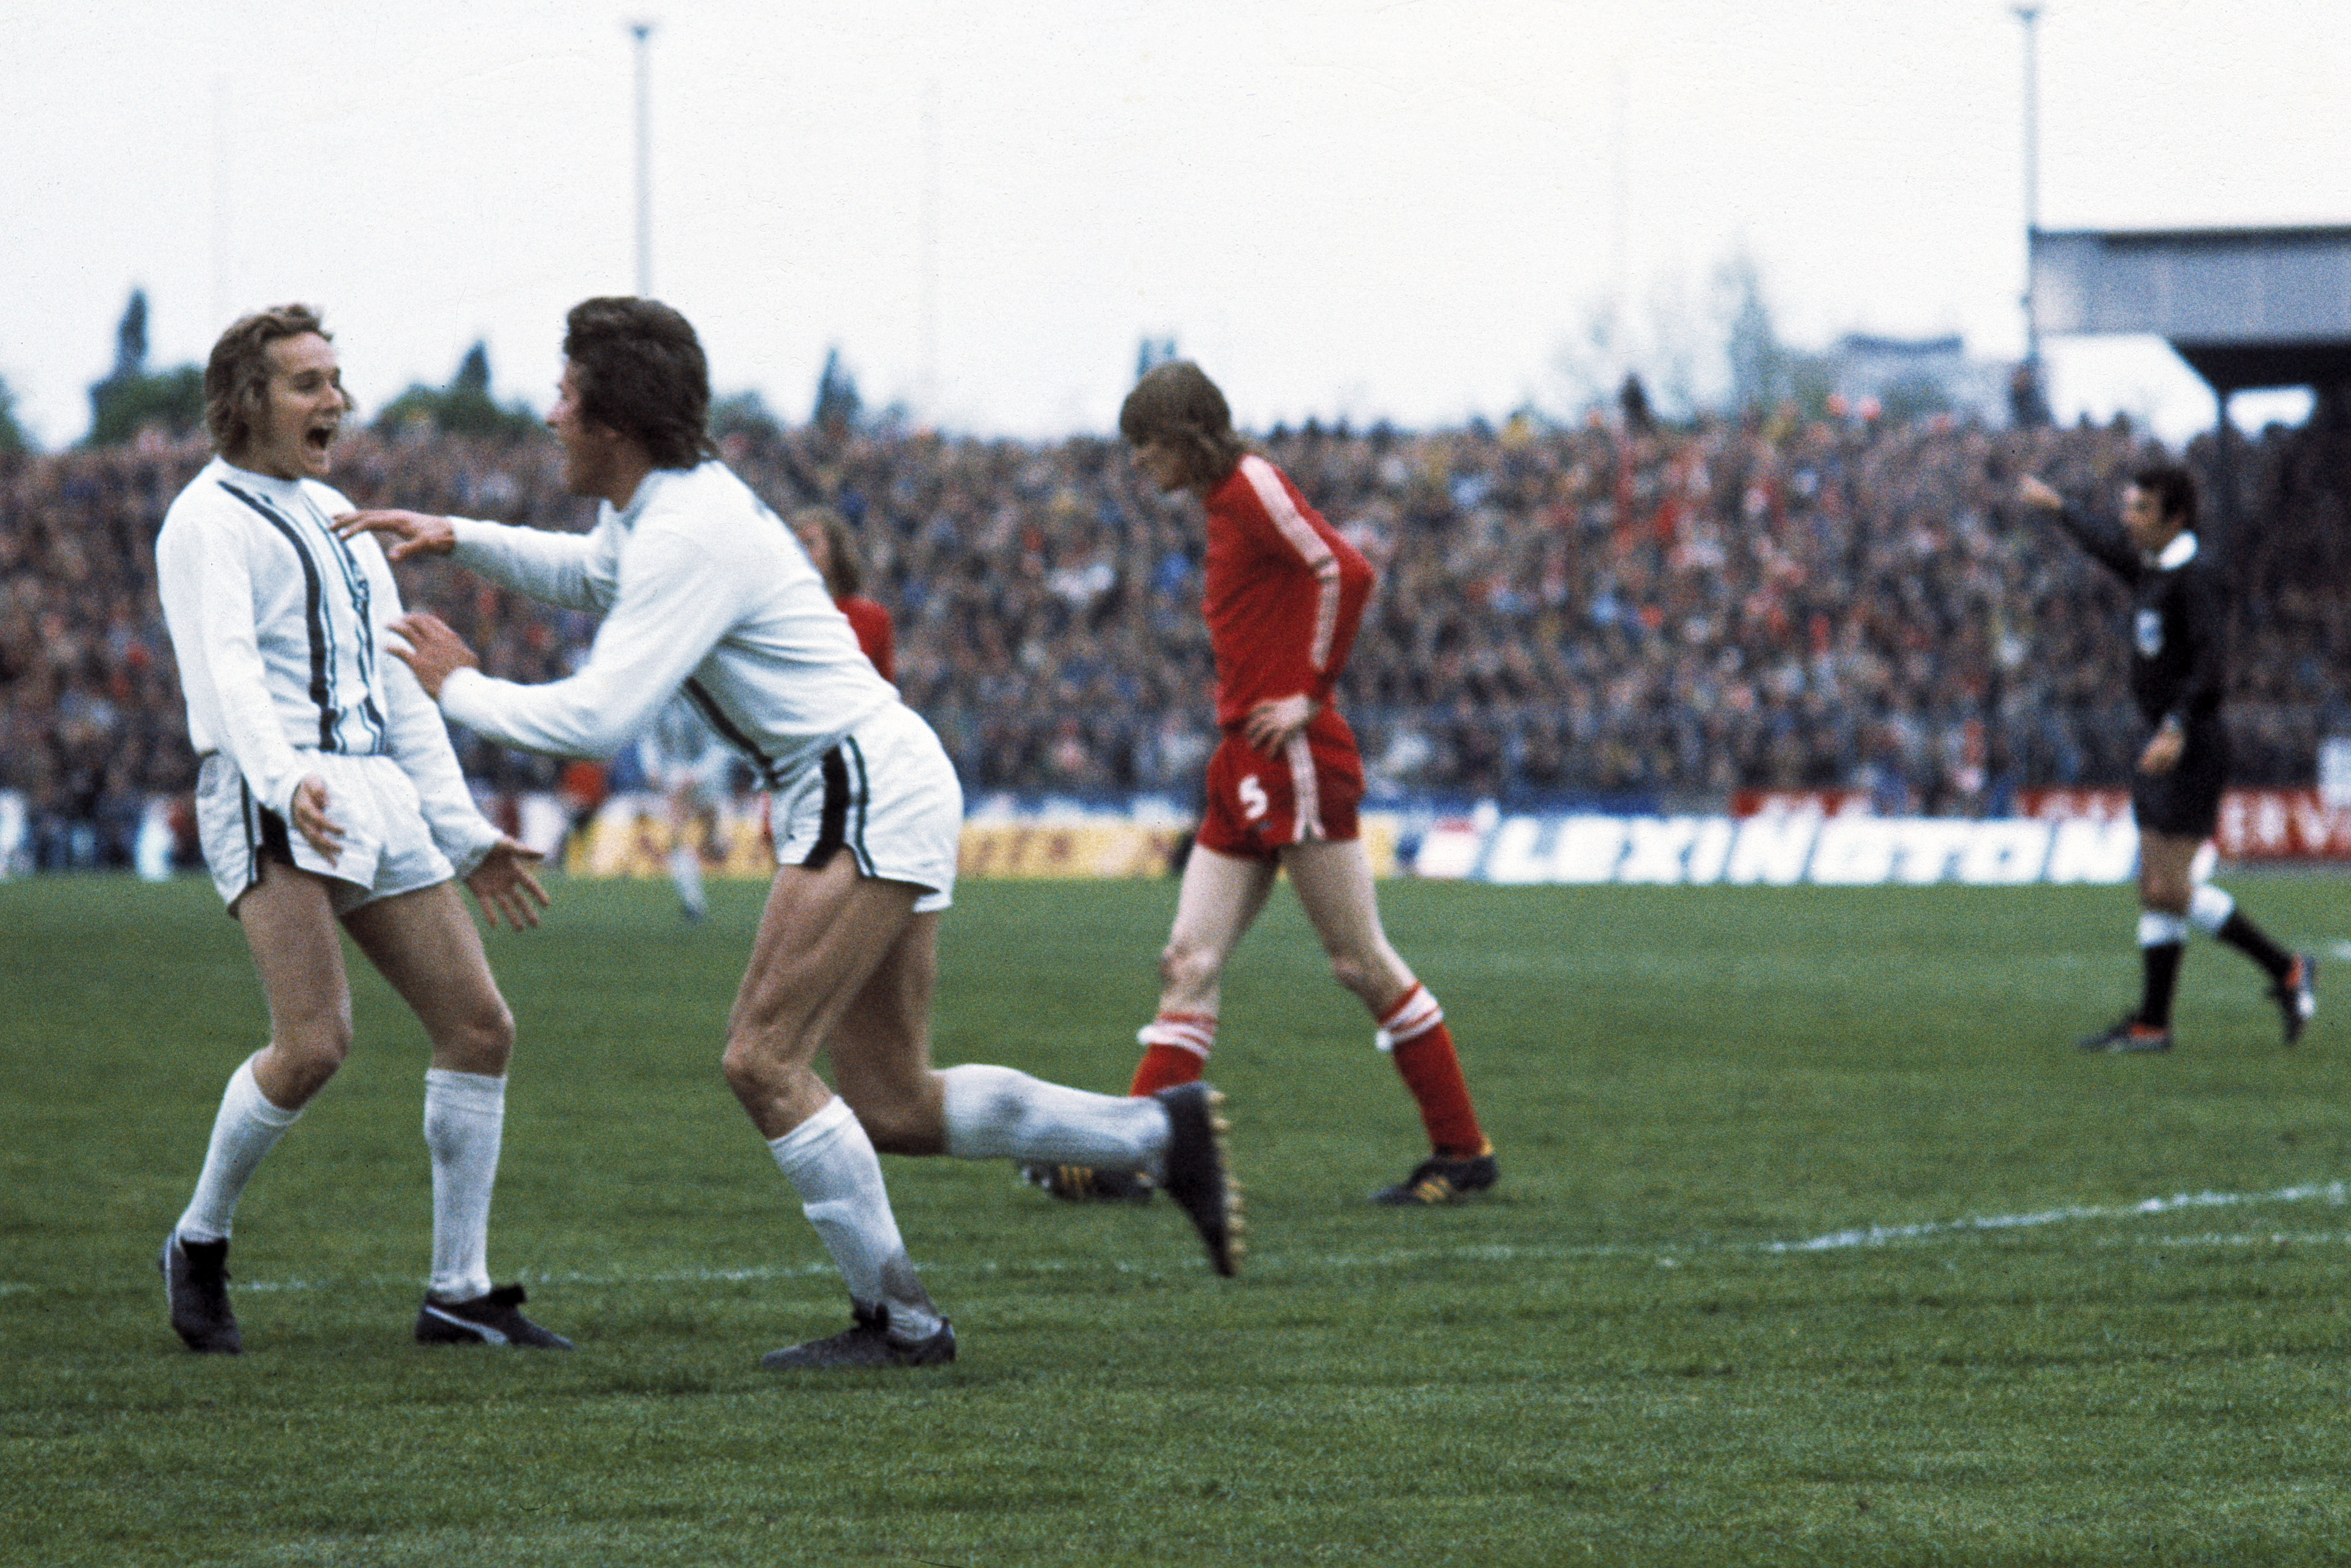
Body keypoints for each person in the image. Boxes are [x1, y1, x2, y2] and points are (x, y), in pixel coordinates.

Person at [338, 297, 1240, 1370]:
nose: (549, 414)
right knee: (894, 1100)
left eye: (566, 395)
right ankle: (1156, 1134)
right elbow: (594, 573)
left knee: (762, 1059)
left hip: (854, 784)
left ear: (612, 420)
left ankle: (901, 1322)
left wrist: (460, 687)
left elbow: (597, 718)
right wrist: (463, 539)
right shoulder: (668, 506)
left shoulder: (683, 527)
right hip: (872, 776)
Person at [154, 304, 563, 1355]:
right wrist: (283, 780)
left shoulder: (340, 515)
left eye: (335, 379)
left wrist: (467, 835)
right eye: (307, 383)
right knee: (315, 1045)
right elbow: (232, 673)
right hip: (271, 788)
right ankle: (198, 1241)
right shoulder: (208, 520)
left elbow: (398, 686)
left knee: (479, 1027)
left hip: (371, 789)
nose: (334, 399)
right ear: (247, 401)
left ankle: (457, 1294)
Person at [1033, 361, 1498, 1208]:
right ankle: (1130, 1155)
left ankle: (1462, 1151)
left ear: (1184, 437)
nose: (1138, 466)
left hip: (1292, 758)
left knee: (1360, 961)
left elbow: (1346, 570)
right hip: (1241, 756)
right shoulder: (1223, 503)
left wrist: (1311, 691)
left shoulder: (1250, 484)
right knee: (1189, 961)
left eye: (1146, 448)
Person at [2019, 467, 2316, 1051]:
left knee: (2164, 886)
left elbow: (2212, 665)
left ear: (2173, 518)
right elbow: (2107, 544)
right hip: (2162, 742)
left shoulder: (2196, 577)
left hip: (2191, 744)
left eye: (2139, 509)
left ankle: (2286, 968)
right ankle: (2152, 1025)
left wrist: (2178, 725)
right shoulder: (2155, 569)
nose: (2127, 517)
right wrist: (2059, 506)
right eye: (2127, 506)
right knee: (2155, 887)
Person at [639, 692, 730, 921]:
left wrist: (698, 775)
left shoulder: (707, 701)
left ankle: (715, 843)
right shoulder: (660, 700)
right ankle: (693, 903)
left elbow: (722, 745)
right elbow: (649, 737)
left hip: (708, 778)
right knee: (676, 837)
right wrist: (652, 768)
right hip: (675, 774)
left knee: (711, 841)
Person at [791, 505, 895, 682]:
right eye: (795, 545)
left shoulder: (872, 617)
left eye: (810, 543)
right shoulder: (784, 614)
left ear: (835, 551)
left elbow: (886, 690)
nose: (801, 553)